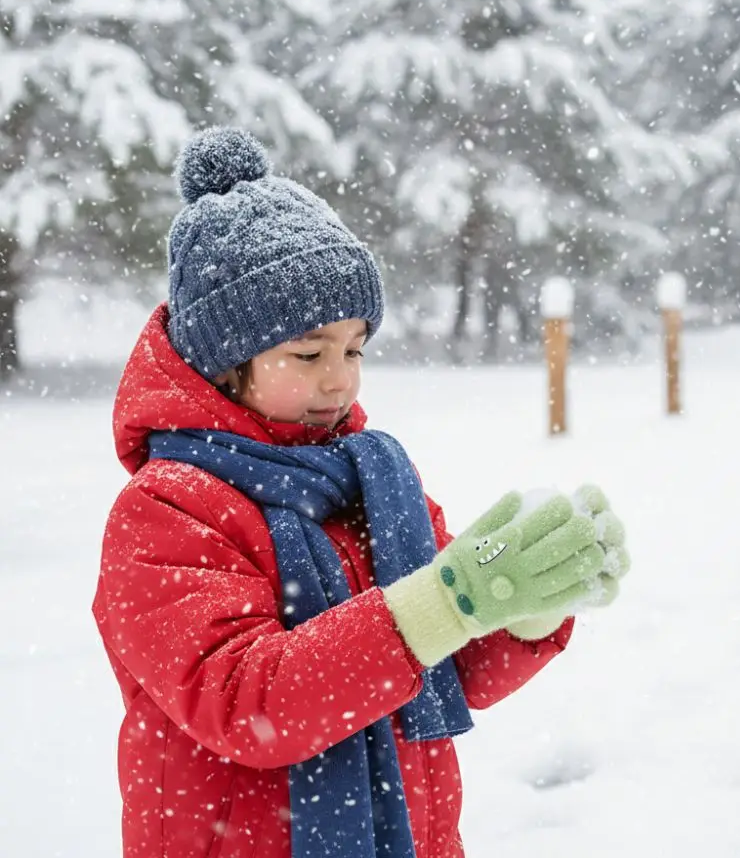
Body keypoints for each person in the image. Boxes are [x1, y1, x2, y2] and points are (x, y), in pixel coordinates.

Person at [93, 127, 630, 858]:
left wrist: (527, 605)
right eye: (307, 352)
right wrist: (447, 600)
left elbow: (451, 666)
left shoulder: (372, 482)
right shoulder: (167, 512)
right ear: (225, 363)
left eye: (354, 349)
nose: (339, 378)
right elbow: (250, 704)